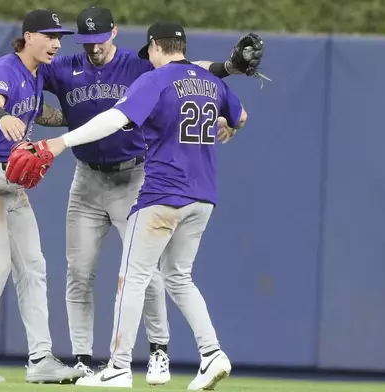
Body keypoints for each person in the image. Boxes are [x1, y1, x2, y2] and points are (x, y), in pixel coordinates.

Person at [0, 6, 262, 385]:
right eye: (77, 39)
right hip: (86, 180)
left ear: (118, 35)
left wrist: (58, 142)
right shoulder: (55, 68)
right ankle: (192, 354)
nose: (87, 46)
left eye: (96, 38)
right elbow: (5, 76)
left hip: (138, 180)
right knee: (130, 274)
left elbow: (171, 77)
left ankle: (134, 359)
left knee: (134, 276)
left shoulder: (141, 67)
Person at [23, 20, 249, 389]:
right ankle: (212, 354)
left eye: (151, 53)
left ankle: (118, 366)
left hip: (162, 194)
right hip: (203, 197)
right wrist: (226, 124)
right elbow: (239, 117)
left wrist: (60, 143)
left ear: (156, 47)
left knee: (132, 279)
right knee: (178, 277)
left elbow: (114, 119)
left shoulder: (155, 79)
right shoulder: (211, 83)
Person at [0, 9, 84, 384]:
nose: (56, 43)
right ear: (27, 36)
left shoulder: (35, 76)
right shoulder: (4, 70)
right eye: (49, 35)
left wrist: (88, 115)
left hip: (10, 181)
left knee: (33, 268)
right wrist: (1, 116)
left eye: (59, 37)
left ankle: (41, 359)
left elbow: (50, 116)